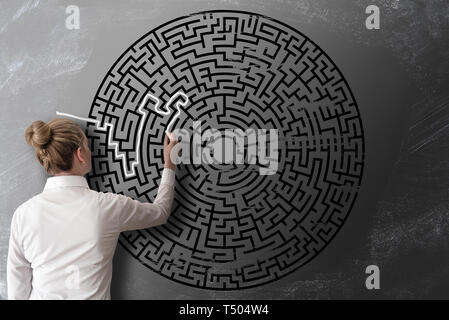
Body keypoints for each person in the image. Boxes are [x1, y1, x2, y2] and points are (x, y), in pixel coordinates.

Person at [7, 118, 178, 300]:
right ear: (80, 154)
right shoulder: (107, 206)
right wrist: (169, 164)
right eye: (87, 146)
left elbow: (17, 290)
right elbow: (160, 212)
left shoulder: (24, 214)